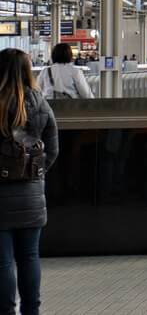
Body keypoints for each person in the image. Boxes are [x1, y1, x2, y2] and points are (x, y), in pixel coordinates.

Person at [0, 48, 59, 315]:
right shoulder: (39, 101)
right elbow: (53, 149)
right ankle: (32, 311)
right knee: (30, 256)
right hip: (32, 195)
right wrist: (34, 172)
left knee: (3, 263)